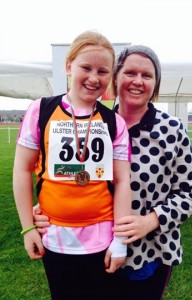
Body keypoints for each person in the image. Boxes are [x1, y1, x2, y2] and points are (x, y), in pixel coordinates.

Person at [34, 44, 192, 299]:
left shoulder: (172, 130)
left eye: (147, 75)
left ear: (155, 85)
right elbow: (74, 177)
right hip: (96, 251)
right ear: (115, 79)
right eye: (130, 73)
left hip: (148, 254)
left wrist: (151, 221)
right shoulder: (98, 123)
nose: (137, 81)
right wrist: (48, 206)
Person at [13, 31, 131, 300]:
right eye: (86, 67)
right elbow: (22, 169)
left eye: (103, 71)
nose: (93, 78)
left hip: (102, 237)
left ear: (110, 76)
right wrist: (27, 228)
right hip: (53, 236)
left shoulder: (115, 123)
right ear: (69, 66)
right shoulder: (40, 110)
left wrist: (120, 241)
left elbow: (122, 181)